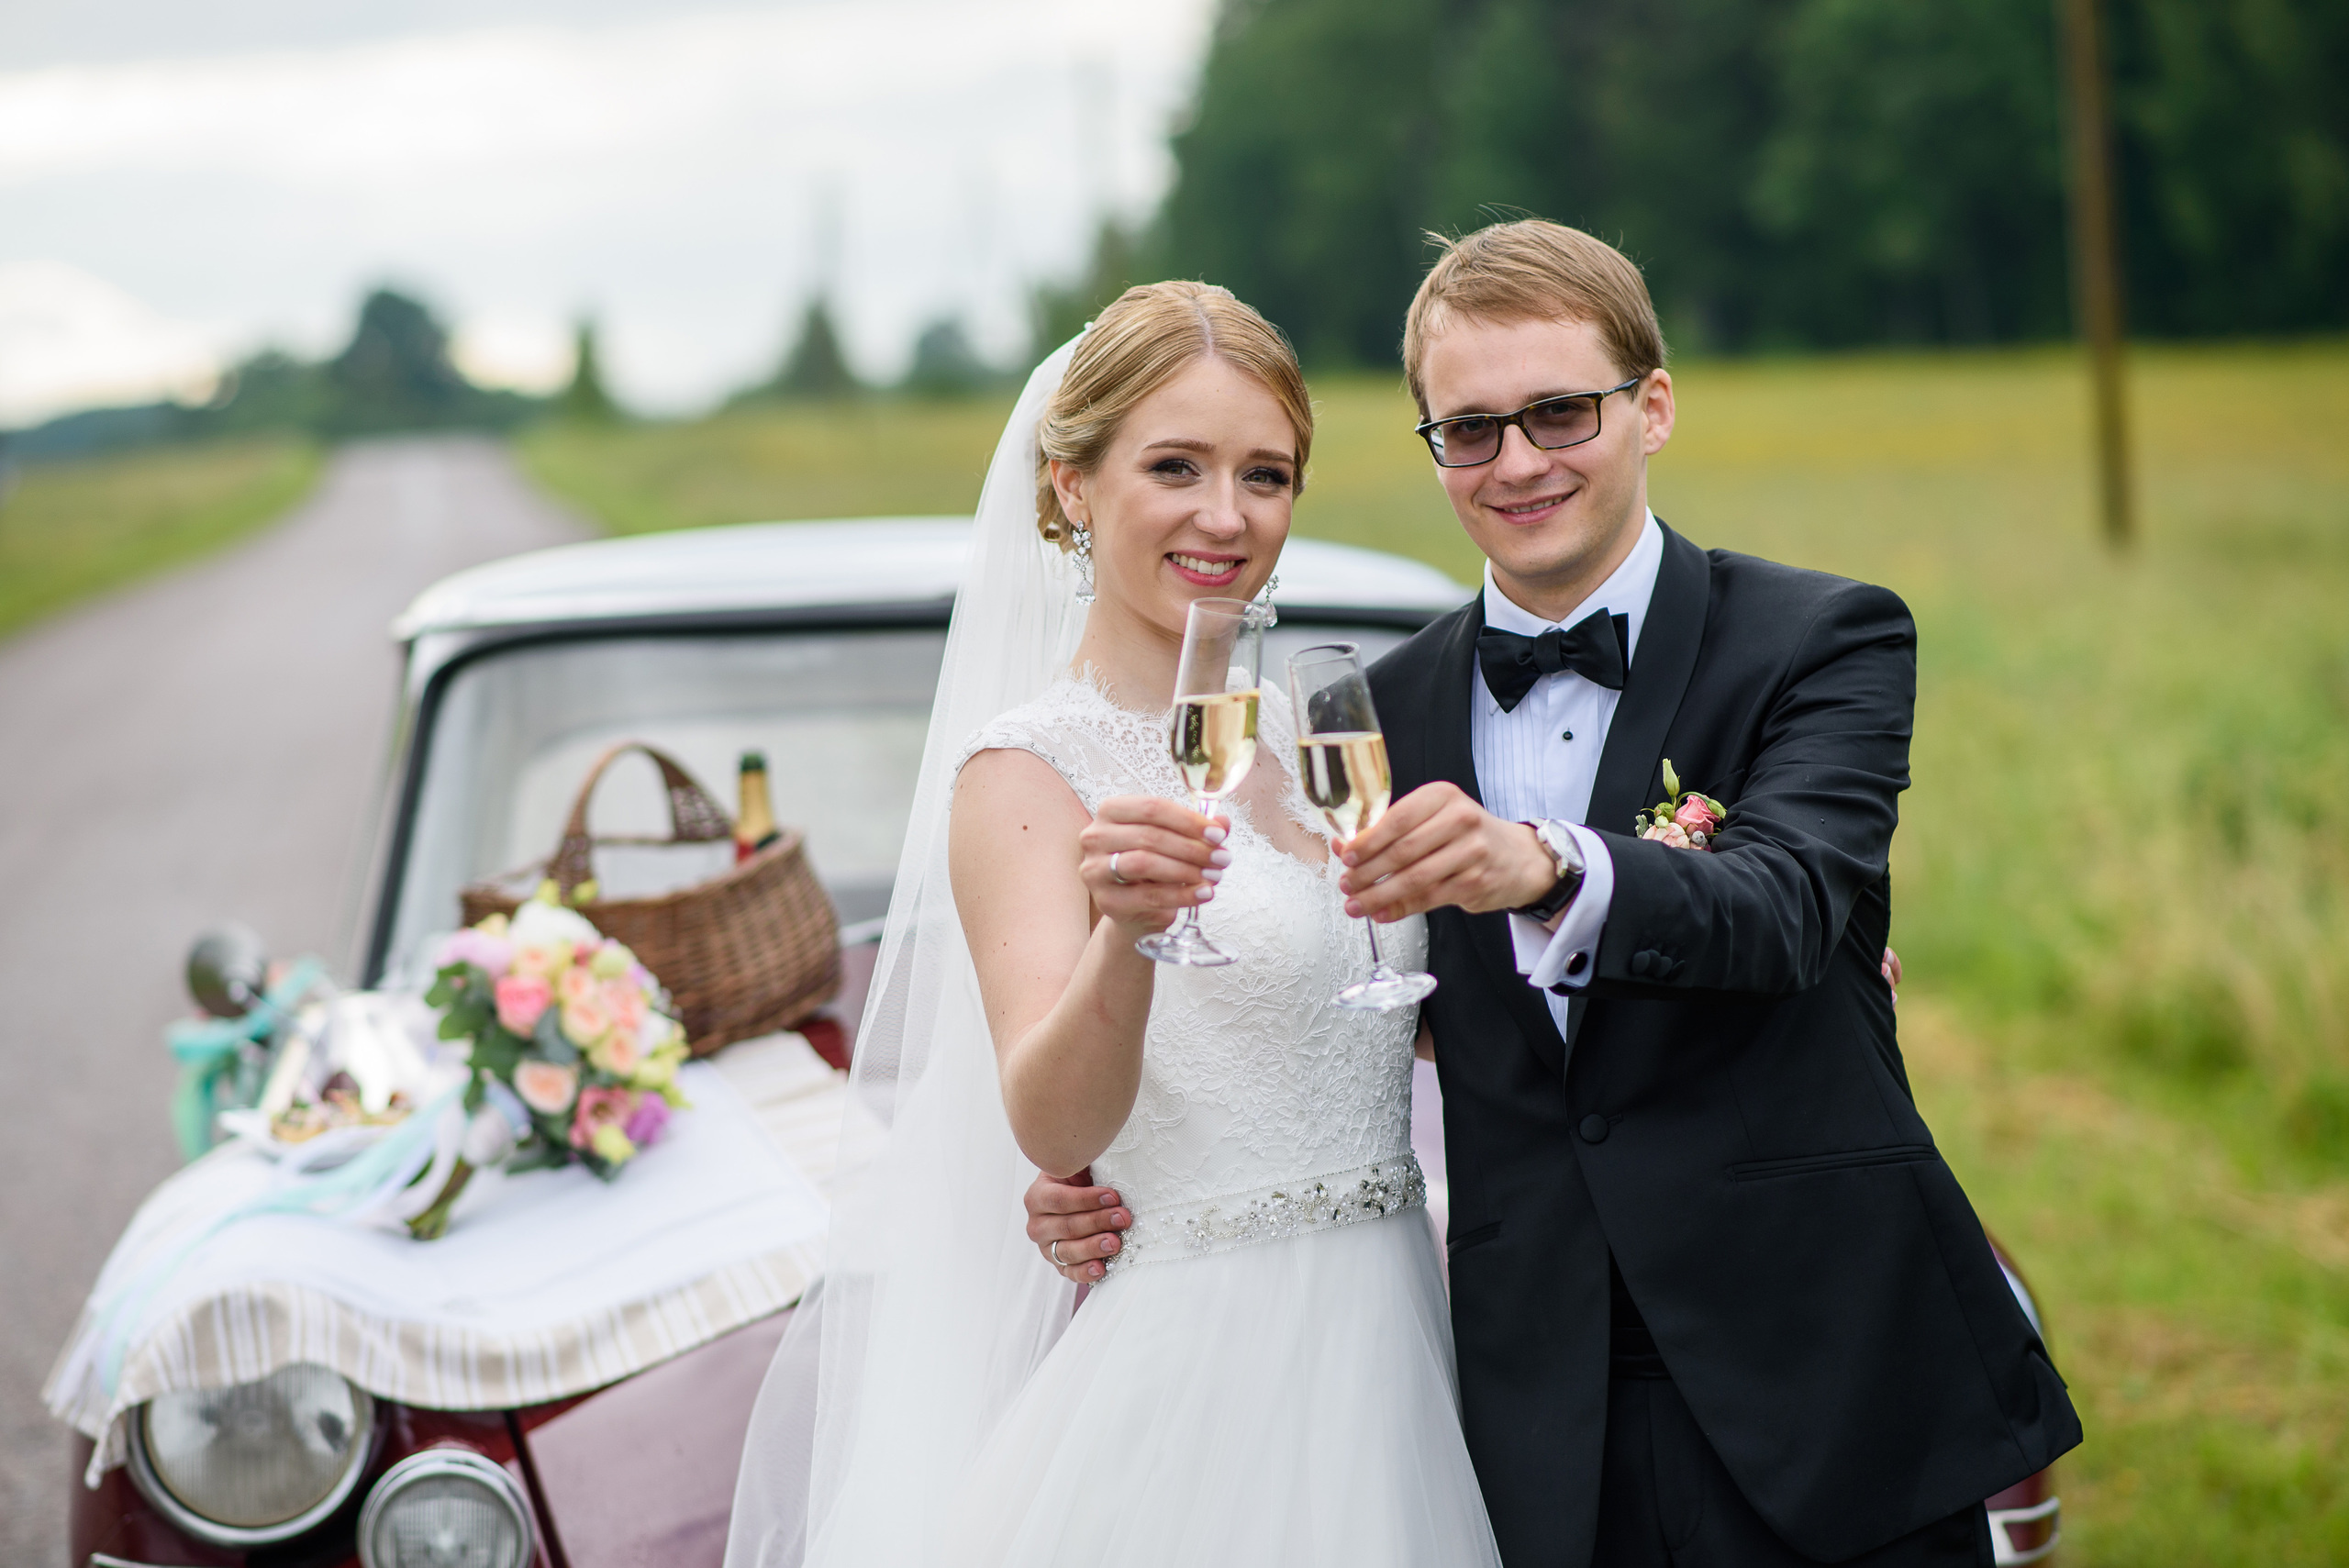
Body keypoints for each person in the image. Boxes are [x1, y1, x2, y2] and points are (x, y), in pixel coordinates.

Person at [1026, 221, 2082, 1567]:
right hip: (1535, 1423)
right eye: (1469, 429)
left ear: (1652, 406)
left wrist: (1549, 862)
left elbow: (1786, 904)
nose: (1517, 461)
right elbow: (1347, 993)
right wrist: (1108, 1173)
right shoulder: (1369, 713)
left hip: (1824, 1379)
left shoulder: (1823, 635)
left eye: (1559, 412)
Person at [726, 281, 1500, 1567]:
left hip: (1394, 1334)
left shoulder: (1321, 749)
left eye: (1267, 473)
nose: (1226, 514)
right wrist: (1127, 937)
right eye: (1176, 466)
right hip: (1205, 1366)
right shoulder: (1024, 774)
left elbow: (1396, 1017)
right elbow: (1057, 1120)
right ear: (1070, 485)